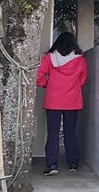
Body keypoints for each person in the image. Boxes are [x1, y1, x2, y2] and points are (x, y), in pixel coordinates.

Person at [36, 31, 88, 175]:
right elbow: (82, 80)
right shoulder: (80, 59)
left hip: (53, 100)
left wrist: (47, 84)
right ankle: (73, 163)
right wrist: (73, 88)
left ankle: (51, 165)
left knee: (52, 133)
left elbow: (39, 76)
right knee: (70, 131)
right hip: (73, 101)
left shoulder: (48, 58)